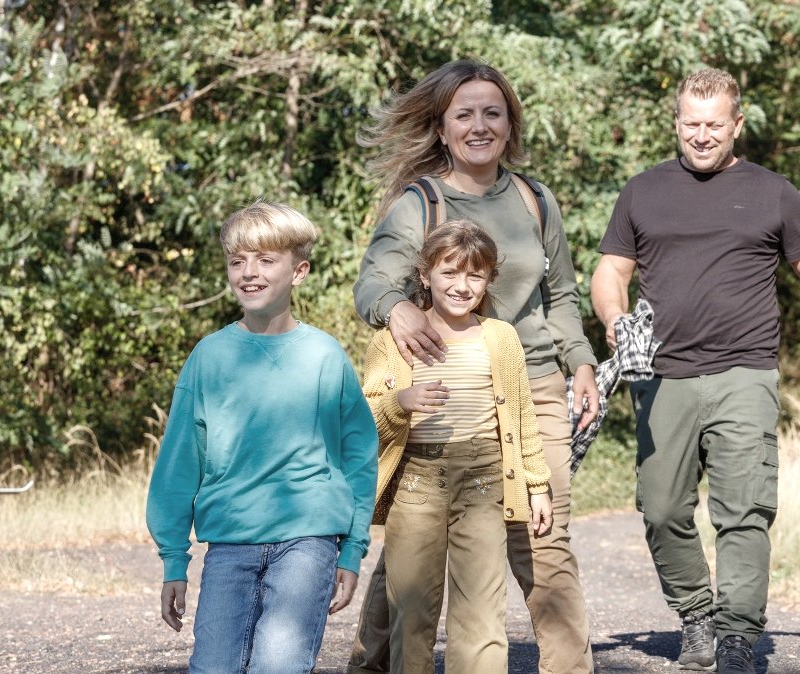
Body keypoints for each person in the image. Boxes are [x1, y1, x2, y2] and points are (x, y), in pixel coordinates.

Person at [589, 68, 800, 674]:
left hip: (744, 370)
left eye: (713, 125)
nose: (701, 136)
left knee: (744, 510)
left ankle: (735, 636)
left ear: (737, 124)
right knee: (660, 508)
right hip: (661, 373)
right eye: (690, 124)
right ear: (675, 122)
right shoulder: (642, 191)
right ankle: (695, 615)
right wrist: (613, 319)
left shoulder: (773, 192)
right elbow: (611, 271)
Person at [350, 58, 599, 674]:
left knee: (543, 542)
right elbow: (372, 284)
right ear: (443, 127)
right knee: (414, 547)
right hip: (443, 389)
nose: (480, 125)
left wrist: (582, 360)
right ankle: (370, 664)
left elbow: (562, 296)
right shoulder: (420, 204)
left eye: (493, 113)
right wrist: (398, 311)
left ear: (510, 125)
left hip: (532, 389)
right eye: (465, 114)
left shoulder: (535, 201)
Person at [146, 200, 379, 673]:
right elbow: (178, 462)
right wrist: (174, 559)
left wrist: (352, 549)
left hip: (308, 539)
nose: (249, 273)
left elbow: (359, 455)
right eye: (237, 262)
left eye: (266, 260)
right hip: (230, 543)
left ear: (299, 271)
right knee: (213, 667)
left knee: (279, 666)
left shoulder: (324, 356)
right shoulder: (209, 357)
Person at [362, 219, 552, 673]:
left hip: (484, 482)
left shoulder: (500, 338)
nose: (462, 286)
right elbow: (364, 419)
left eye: (475, 275)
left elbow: (521, 415)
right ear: (425, 275)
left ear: (488, 280)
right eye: (449, 272)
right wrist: (401, 401)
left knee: (483, 614)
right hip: (416, 483)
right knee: (412, 613)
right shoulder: (393, 340)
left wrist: (537, 483)